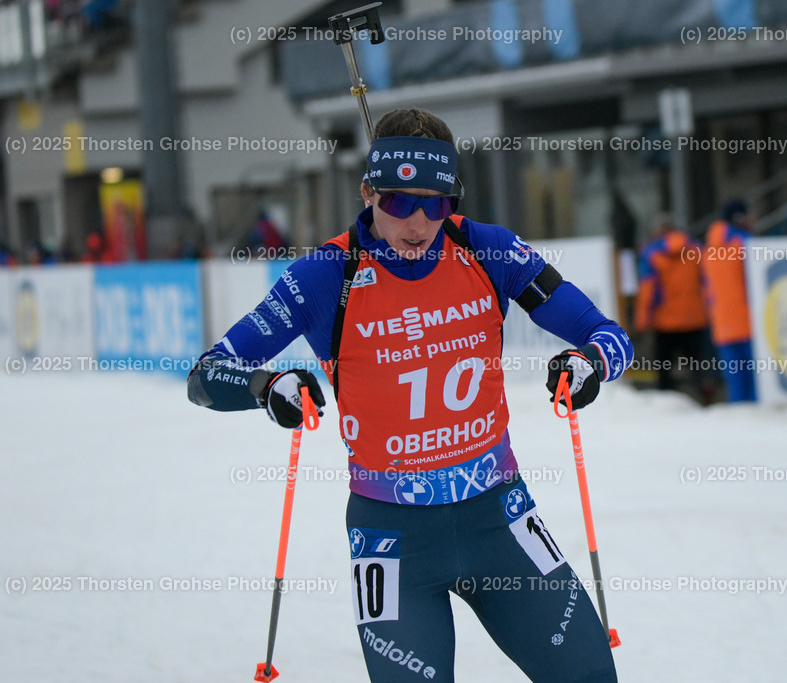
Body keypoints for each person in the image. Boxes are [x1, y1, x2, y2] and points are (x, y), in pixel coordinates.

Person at [187, 108, 629, 682]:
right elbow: (206, 376)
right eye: (399, 202)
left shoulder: (489, 250)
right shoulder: (326, 275)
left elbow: (609, 336)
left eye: (436, 204)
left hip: (499, 520)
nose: (419, 224)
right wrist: (267, 387)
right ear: (368, 192)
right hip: (392, 540)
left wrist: (589, 362)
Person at [633, 215, 712, 403]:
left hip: (664, 321)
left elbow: (648, 289)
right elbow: (707, 282)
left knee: (664, 366)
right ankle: (706, 395)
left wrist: (642, 320)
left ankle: (667, 402)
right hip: (694, 317)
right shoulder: (695, 249)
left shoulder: (651, 254)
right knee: (697, 363)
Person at [702, 199, 756, 403]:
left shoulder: (709, 249)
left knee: (735, 381)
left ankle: (739, 417)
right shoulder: (744, 243)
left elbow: (707, 289)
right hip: (749, 320)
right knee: (755, 382)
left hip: (722, 323)